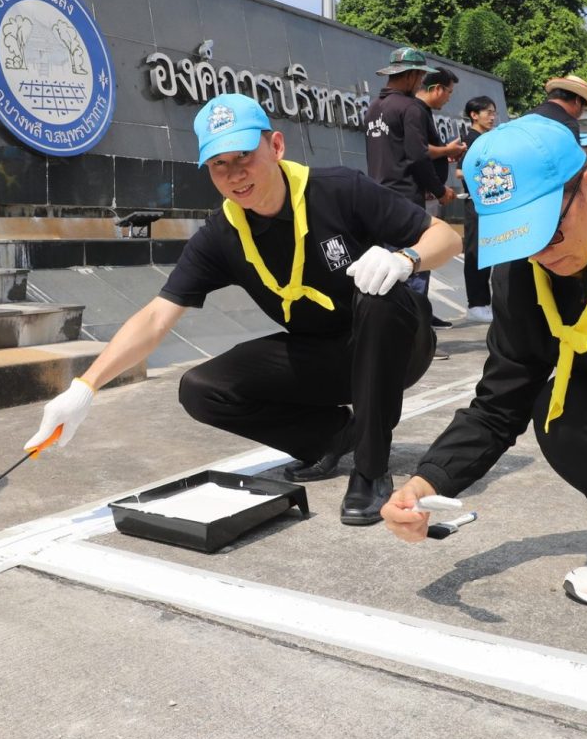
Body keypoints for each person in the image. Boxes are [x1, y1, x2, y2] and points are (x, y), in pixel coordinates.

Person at [27, 94, 461, 525]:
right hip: (324, 355)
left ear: (276, 146)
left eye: (244, 156)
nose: (235, 174)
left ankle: (370, 469)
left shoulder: (338, 189)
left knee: (378, 294)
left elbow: (446, 237)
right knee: (201, 388)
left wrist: (406, 259)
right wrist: (85, 387)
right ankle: (330, 437)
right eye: (219, 164)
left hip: (397, 345)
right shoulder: (221, 235)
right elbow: (158, 315)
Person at [381, 115, 587, 607]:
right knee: (560, 415)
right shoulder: (524, 267)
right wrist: (428, 479)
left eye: (547, 232)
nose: (539, 255)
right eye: (518, 238)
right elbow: (501, 400)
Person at [415, 66, 466, 328]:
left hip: (425, 194)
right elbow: (418, 152)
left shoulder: (422, 112)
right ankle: (416, 315)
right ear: (436, 89)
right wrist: (446, 150)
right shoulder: (414, 111)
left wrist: (445, 154)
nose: (448, 98)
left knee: (424, 256)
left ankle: (422, 310)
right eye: (449, 92)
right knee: (419, 252)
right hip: (417, 195)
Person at [455, 96, 498, 322]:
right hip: (476, 202)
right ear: (474, 115)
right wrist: (488, 174)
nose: (492, 117)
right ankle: (477, 304)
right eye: (488, 112)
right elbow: (459, 172)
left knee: (489, 252)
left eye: (494, 113)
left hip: (490, 202)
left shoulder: (487, 138)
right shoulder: (469, 140)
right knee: (476, 253)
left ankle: (486, 302)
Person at [526, 74, 587, 140]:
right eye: (583, 107)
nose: (581, 113)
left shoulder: (526, 115)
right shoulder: (567, 124)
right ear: (577, 101)